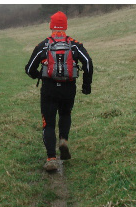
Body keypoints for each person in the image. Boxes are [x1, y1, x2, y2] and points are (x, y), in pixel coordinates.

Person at [24, 11, 94, 172]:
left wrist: (40, 76)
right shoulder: (75, 44)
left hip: (49, 89)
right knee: (65, 115)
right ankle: (63, 140)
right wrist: (86, 86)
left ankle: (51, 158)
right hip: (68, 89)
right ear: (65, 26)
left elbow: (29, 69)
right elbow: (88, 63)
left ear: (51, 26)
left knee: (48, 124)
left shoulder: (44, 45)